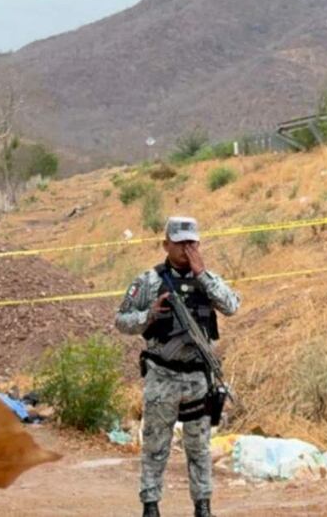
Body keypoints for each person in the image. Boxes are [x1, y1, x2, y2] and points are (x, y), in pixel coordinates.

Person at [116, 216, 240, 517]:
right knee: (156, 446)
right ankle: (150, 505)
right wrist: (149, 315)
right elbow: (122, 321)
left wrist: (203, 276)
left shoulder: (208, 280)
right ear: (166, 245)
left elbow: (232, 306)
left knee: (199, 448)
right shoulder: (149, 281)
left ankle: (203, 505)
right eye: (180, 243)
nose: (187, 248)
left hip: (198, 378)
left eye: (192, 242)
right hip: (162, 375)